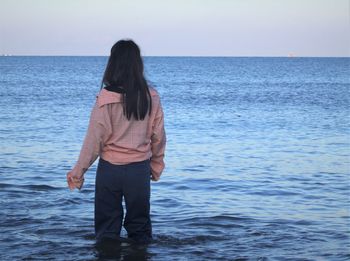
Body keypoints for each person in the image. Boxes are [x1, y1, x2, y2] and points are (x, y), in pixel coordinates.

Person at [66, 39, 166, 243]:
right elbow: (158, 137)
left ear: (113, 64)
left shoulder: (105, 97)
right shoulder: (151, 97)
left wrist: (78, 172)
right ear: (138, 64)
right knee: (140, 229)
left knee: (106, 230)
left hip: (109, 171)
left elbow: (94, 140)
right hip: (138, 170)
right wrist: (156, 166)